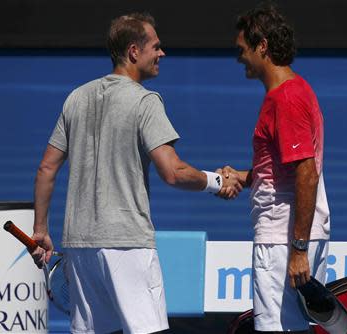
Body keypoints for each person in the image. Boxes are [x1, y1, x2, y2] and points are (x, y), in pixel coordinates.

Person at [30, 12, 242, 334]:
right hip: (126, 243)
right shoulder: (146, 102)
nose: (162, 53)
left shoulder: (76, 98)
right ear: (133, 52)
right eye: (155, 47)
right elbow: (172, 172)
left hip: (79, 245)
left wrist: (40, 229)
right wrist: (217, 181)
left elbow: (47, 167)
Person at [218, 3, 330, 333]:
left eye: (243, 49)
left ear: (262, 45)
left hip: (283, 239)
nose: (239, 57)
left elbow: (306, 172)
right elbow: (285, 170)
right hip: (292, 237)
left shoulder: (285, 98)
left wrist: (298, 250)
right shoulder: (296, 90)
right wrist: (243, 176)